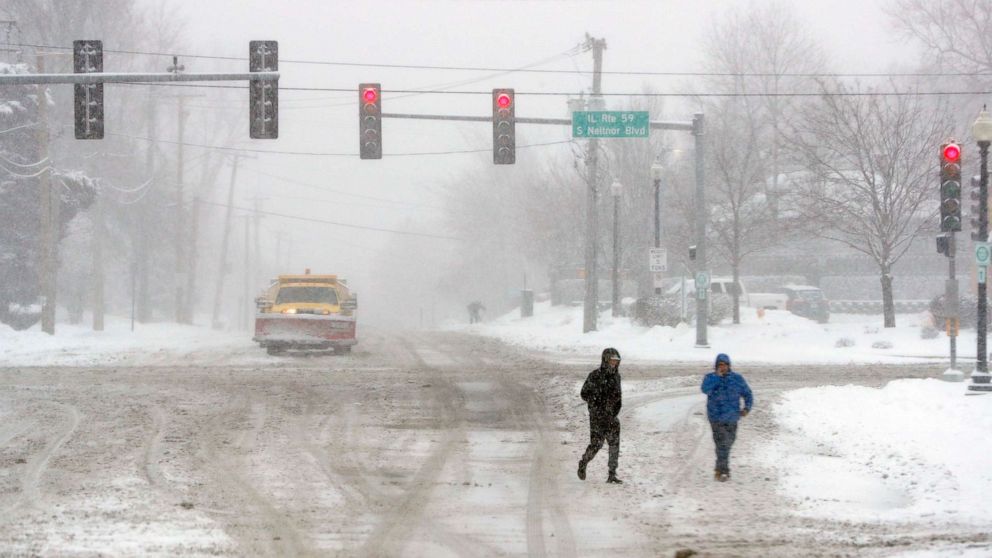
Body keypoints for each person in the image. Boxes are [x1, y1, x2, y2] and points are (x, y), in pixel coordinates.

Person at [701, 353, 753, 482]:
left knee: (728, 443)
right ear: (716, 366)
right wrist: (717, 378)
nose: (722, 367)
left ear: (729, 366)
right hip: (716, 418)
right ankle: (723, 471)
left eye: (724, 365)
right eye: (719, 365)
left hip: (732, 418)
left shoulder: (737, 379)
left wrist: (747, 408)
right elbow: (705, 389)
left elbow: (747, 394)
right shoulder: (710, 378)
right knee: (722, 444)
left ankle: (720, 468)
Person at [578, 347, 623, 484]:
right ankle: (584, 462)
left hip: (611, 416)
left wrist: (615, 410)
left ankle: (612, 474)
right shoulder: (595, 375)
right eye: (612, 361)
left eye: (616, 361)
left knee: (614, 444)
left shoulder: (617, 377)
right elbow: (584, 393)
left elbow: (618, 396)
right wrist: (596, 403)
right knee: (596, 444)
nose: (614, 363)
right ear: (605, 360)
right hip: (597, 417)